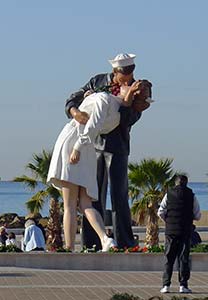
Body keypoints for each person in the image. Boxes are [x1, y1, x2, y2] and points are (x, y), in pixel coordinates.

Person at [65, 53, 152, 250]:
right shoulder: (97, 81)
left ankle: (125, 241)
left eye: (131, 73)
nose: (128, 78)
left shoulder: (139, 88)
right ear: (115, 72)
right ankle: (91, 241)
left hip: (118, 146)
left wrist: (130, 100)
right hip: (92, 145)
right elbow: (72, 99)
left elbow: (129, 119)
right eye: (124, 74)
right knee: (93, 194)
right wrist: (75, 112)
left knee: (119, 194)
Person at [48, 78, 144, 251]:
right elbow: (79, 105)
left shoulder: (104, 99)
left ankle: (70, 247)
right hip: (89, 149)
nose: (123, 87)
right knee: (85, 204)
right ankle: (104, 239)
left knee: (70, 204)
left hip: (76, 144)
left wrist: (77, 147)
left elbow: (92, 126)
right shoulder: (116, 112)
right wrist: (78, 107)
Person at [158, 175, 201, 294]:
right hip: (185, 231)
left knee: (169, 258)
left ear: (175, 183)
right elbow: (197, 215)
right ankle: (183, 285)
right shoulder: (191, 195)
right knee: (184, 259)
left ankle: (166, 285)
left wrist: (168, 221)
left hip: (170, 232)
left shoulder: (169, 194)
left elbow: (160, 211)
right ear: (186, 183)